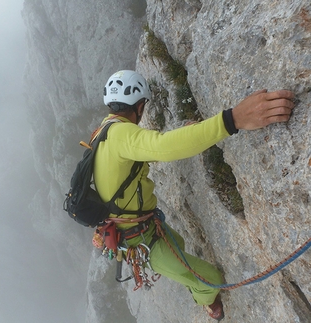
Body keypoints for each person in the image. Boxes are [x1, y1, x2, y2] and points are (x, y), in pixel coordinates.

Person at [93, 70, 295, 320]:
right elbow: (161, 147)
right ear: (140, 106)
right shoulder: (120, 133)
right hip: (139, 241)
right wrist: (234, 119)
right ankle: (206, 301)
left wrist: (185, 134)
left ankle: (190, 279)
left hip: (138, 230)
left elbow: (139, 154)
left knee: (179, 246)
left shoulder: (104, 132)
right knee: (209, 278)